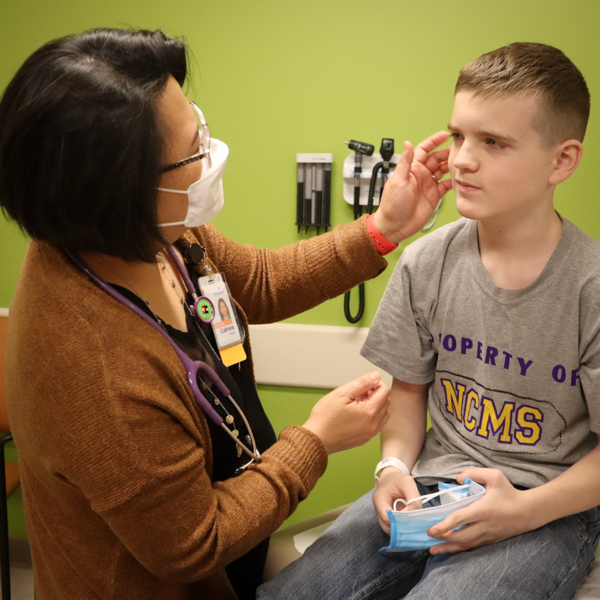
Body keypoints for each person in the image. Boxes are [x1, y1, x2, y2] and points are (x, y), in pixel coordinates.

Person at [0, 28, 451, 600]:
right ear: (122, 190)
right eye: (193, 149)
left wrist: (380, 231)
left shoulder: (149, 229)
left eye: (200, 124)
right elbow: (193, 543)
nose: (211, 154)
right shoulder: (96, 371)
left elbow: (257, 282)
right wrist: (314, 441)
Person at [258, 42, 600, 600]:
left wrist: (522, 511)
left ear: (561, 160)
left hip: (547, 507)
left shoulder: (591, 287)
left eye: (494, 143)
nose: (463, 158)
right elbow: (408, 391)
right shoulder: (427, 260)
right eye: (459, 135)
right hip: (430, 488)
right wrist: (392, 468)